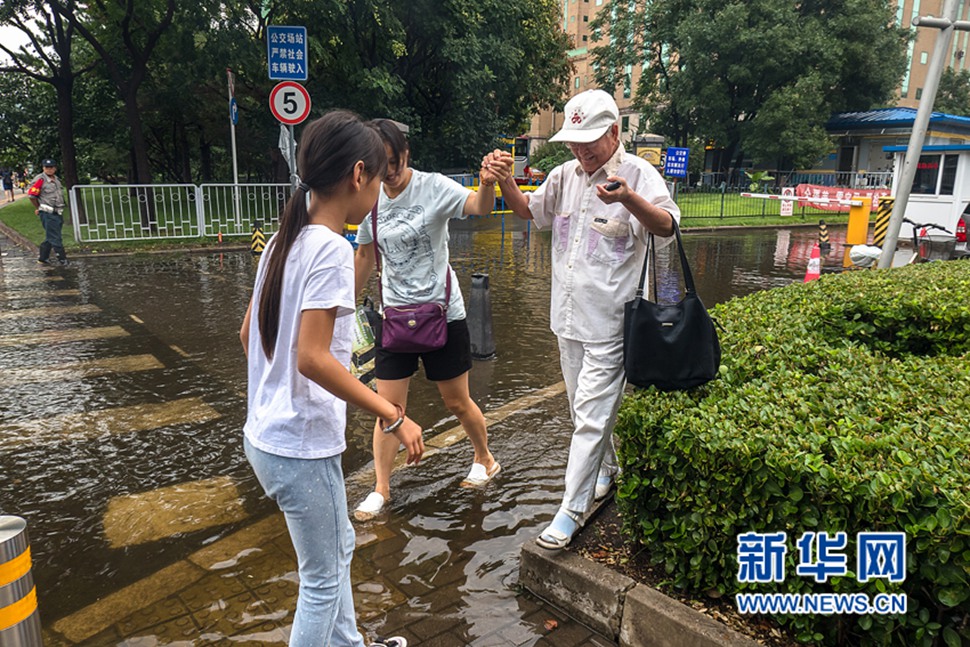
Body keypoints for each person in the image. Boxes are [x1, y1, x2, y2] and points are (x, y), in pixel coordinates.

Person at [239, 110, 421, 647]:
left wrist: (273, 393)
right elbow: (313, 358)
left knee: (338, 545)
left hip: (267, 435)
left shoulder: (282, 241)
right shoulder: (331, 249)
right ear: (358, 174)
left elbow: (250, 336)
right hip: (300, 445)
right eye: (381, 173)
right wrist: (393, 415)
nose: (383, 187)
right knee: (320, 582)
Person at [486, 89, 681, 550]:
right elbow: (532, 213)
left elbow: (669, 226)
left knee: (591, 418)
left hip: (612, 324)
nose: (581, 149)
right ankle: (609, 471)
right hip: (567, 318)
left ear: (614, 132)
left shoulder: (638, 174)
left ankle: (570, 511)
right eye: (574, 141)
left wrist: (629, 200)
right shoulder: (563, 176)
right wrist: (504, 181)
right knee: (582, 411)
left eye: (589, 140)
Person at [351, 119, 511, 520]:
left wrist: (488, 183)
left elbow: (479, 207)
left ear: (406, 152)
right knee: (388, 409)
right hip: (394, 316)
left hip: (442, 314)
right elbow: (365, 256)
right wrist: (345, 309)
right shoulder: (369, 199)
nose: (387, 171)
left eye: (392, 160)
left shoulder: (432, 186)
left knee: (456, 401)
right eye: (378, 164)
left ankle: (485, 458)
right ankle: (382, 489)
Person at [28, 159, 69, 266]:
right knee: (55, 237)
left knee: (51, 236)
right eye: (47, 167)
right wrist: (38, 207)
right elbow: (32, 196)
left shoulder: (56, 179)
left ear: (55, 168)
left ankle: (43, 257)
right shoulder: (40, 180)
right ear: (43, 168)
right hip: (47, 212)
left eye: (51, 167)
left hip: (57, 212)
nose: (49, 169)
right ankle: (63, 260)